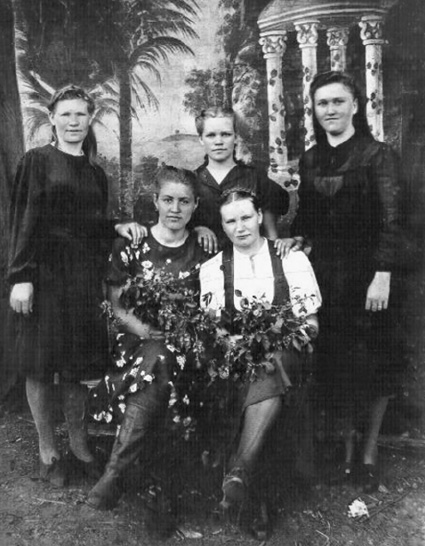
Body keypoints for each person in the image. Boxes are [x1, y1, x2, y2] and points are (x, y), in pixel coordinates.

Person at [7, 85, 145, 487]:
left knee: (77, 366)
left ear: (90, 118)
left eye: (80, 114)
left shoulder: (94, 172)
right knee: (40, 363)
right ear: (52, 118)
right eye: (65, 114)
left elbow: (92, 226)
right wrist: (21, 276)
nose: (73, 122)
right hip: (44, 276)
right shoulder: (36, 161)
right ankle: (47, 450)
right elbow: (23, 220)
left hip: (83, 280)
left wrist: (117, 226)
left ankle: (81, 446)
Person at [289, 71, 406, 491]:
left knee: (373, 363)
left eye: (338, 101)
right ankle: (345, 451)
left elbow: (394, 219)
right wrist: (298, 238)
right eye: (322, 103)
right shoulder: (310, 159)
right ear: (314, 110)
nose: (330, 110)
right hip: (326, 278)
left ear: (355, 105)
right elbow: (307, 217)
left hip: (370, 275)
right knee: (337, 363)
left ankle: (369, 455)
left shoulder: (379, 155)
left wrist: (383, 274)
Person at [86, 165, 209, 511]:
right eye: (168, 200)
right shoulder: (131, 245)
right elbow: (117, 309)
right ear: (155, 201)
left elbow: (209, 310)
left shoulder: (203, 248)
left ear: (196, 205)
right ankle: (156, 488)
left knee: (164, 359)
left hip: (185, 346)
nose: (175, 209)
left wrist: (180, 333)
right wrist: (143, 330)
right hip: (135, 343)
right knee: (158, 358)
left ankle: (116, 474)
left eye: (184, 201)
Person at [199, 189, 321, 529]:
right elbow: (214, 331)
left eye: (245, 217)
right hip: (236, 358)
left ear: (258, 217)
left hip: (290, 355)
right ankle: (247, 486)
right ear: (222, 225)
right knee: (263, 370)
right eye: (230, 221)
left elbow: (311, 324)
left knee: (271, 363)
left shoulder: (291, 260)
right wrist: (238, 344)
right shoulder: (213, 268)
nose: (240, 227)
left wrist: (278, 339)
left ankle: (239, 468)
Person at [192, 106, 291, 253]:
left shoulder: (255, 178)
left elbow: (272, 230)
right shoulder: (192, 181)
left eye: (226, 134)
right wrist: (196, 229)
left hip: (248, 256)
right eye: (211, 135)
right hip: (205, 257)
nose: (218, 141)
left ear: (236, 137)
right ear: (201, 139)